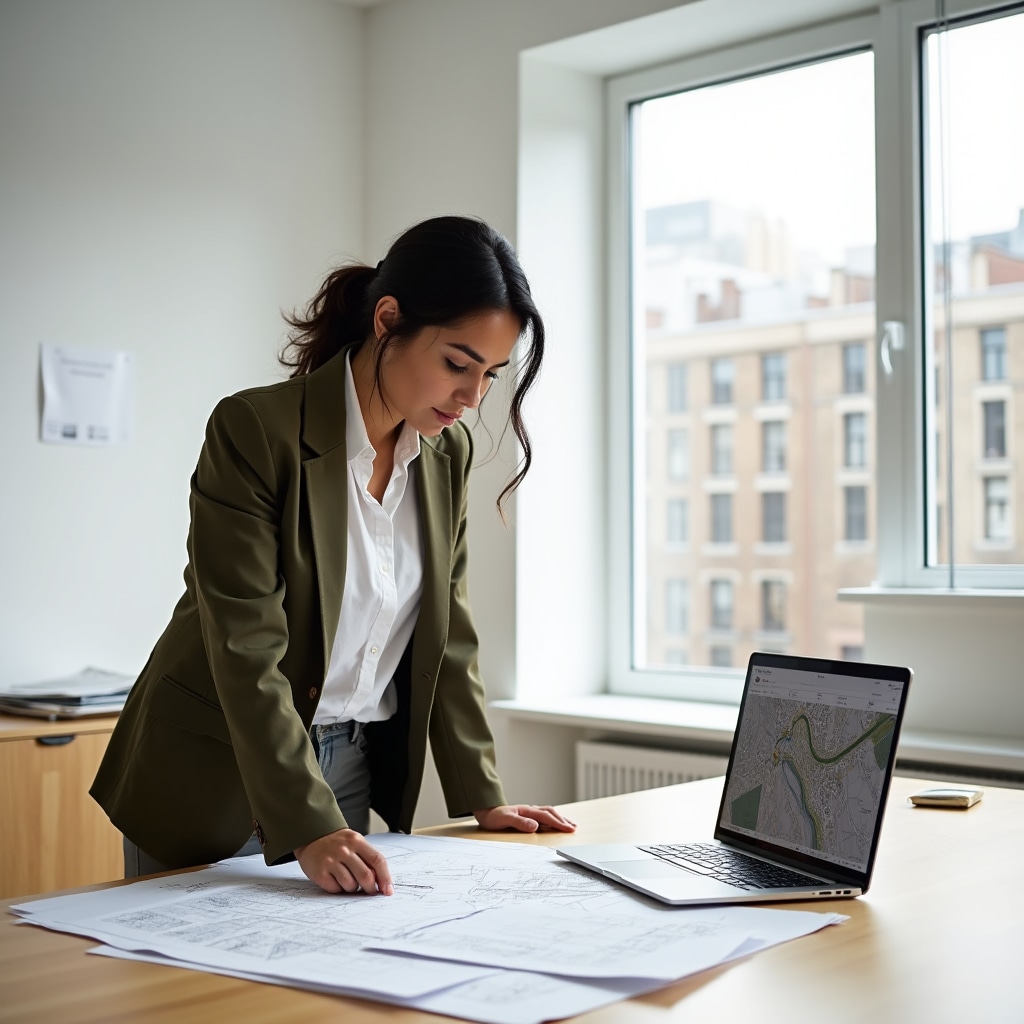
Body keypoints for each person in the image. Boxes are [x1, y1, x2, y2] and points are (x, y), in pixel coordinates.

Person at [90, 215, 575, 896]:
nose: (471, 398)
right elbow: (244, 644)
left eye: (492, 374)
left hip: (346, 762)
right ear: (387, 320)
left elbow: (448, 634)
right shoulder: (256, 430)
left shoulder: (445, 454)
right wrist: (306, 821)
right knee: (189, 998)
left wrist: (480, 793)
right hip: (217, 762)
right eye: (457, 364)